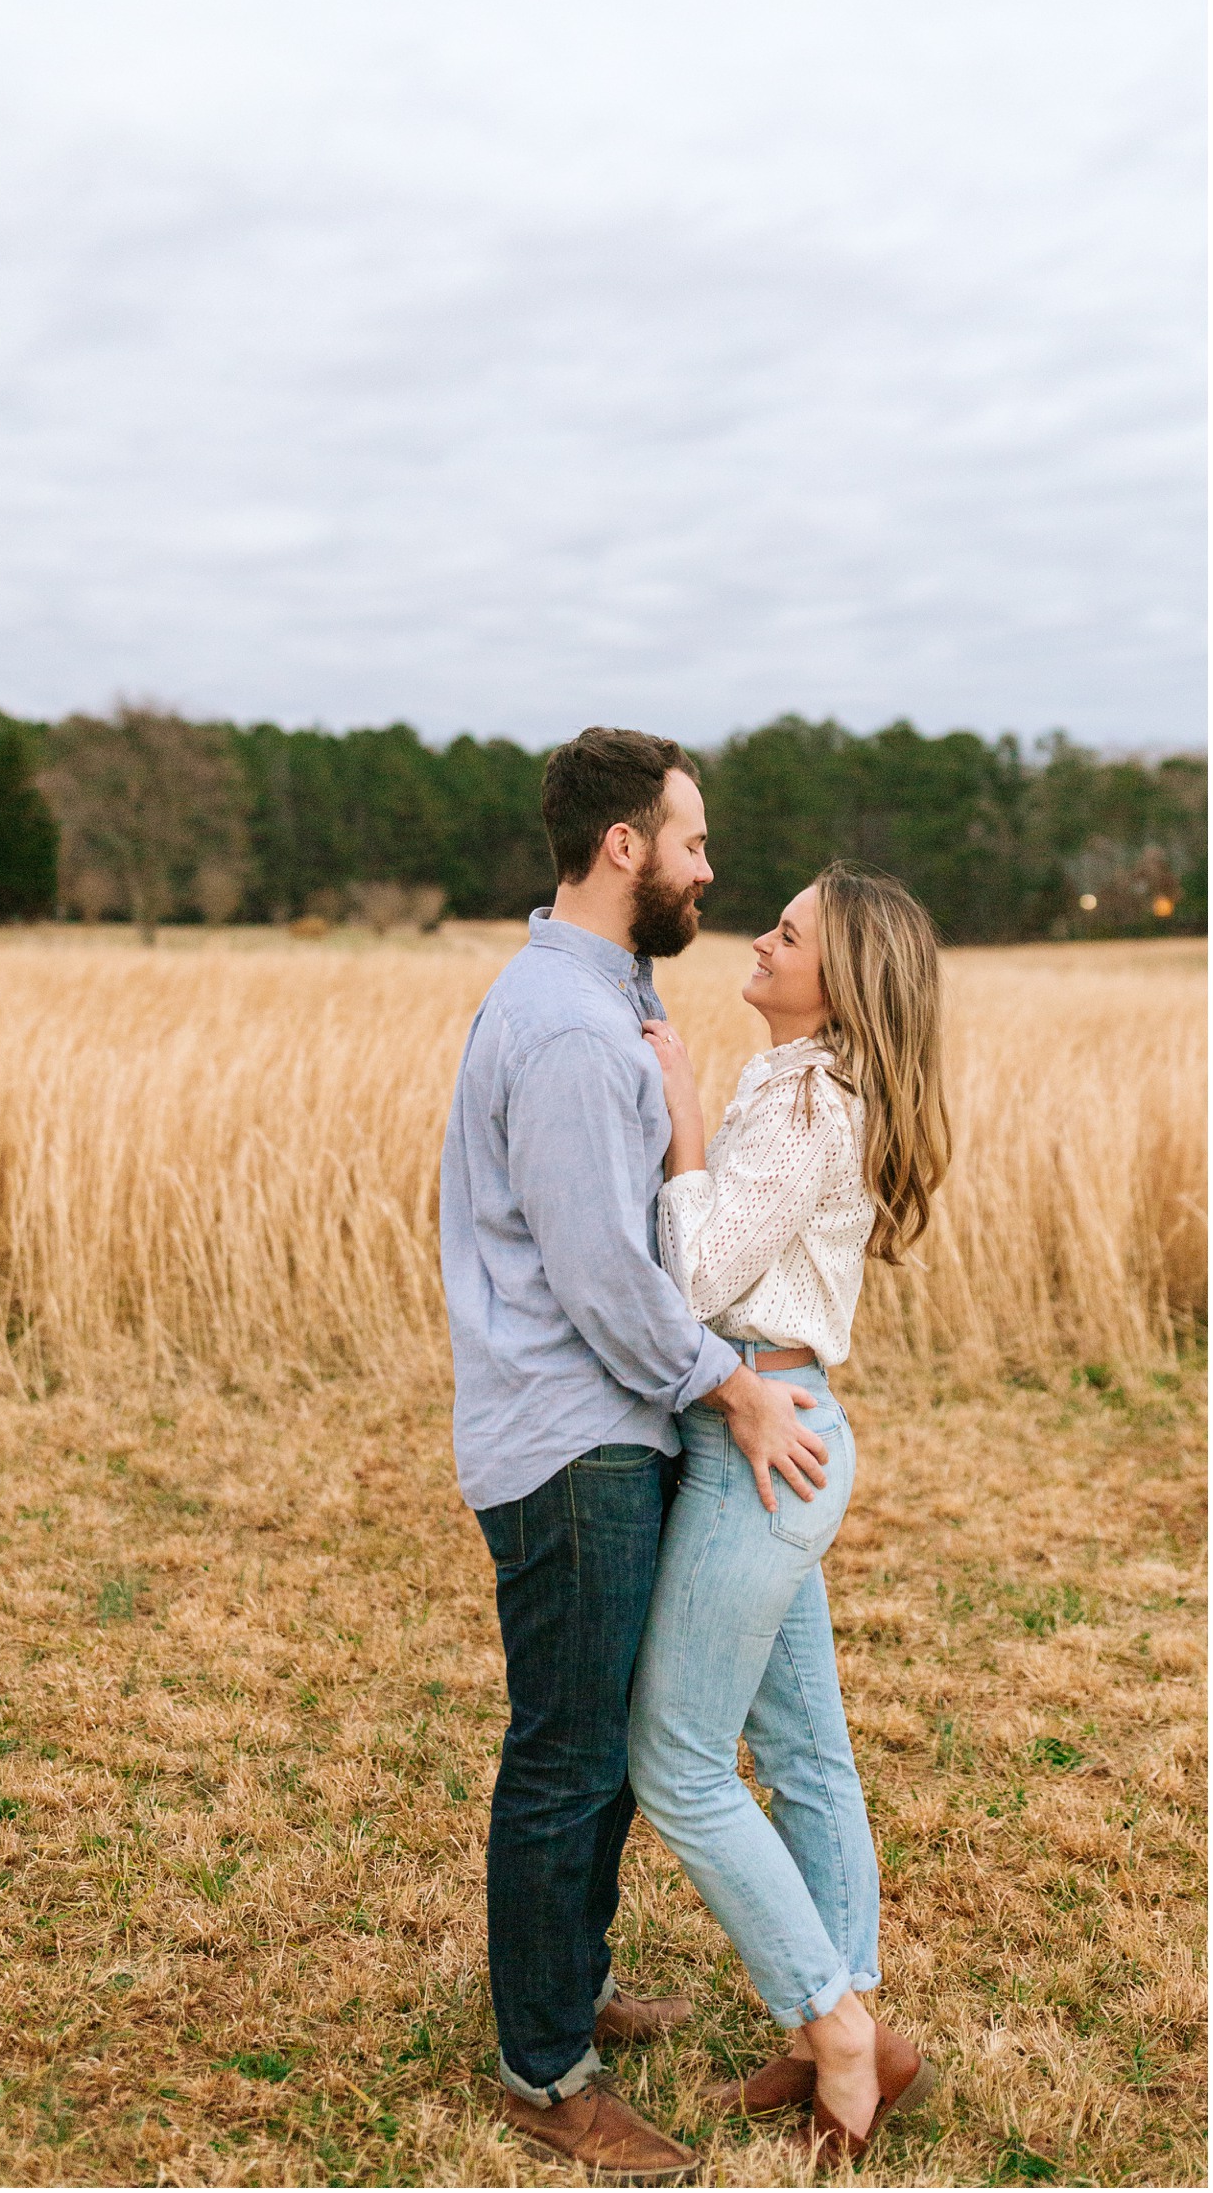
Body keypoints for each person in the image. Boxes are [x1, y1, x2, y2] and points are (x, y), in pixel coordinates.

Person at [439, 727, 830, 2184]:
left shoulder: (608, 1003)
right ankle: (545, 2068)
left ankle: (566, 1985)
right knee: (566, 1750)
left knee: (596, 1742)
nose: (710, 871)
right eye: (693, 842)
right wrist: (727, 1387)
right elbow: (603, 1278)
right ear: (626, 848)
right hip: (572, 1439)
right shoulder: (566, 1027)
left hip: (600, 1426)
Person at [628, 862, 952, 2167]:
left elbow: (701, 1271)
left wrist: (683, 1119)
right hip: (782, 1420)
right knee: (807, 1745)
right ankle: (850, 2002)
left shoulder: (807, 1094)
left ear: (841, 978)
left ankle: (835, 2022)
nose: (761, 936)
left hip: (763, 1437)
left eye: (791, 931)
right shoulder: (806, 1081)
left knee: (679, 1760)